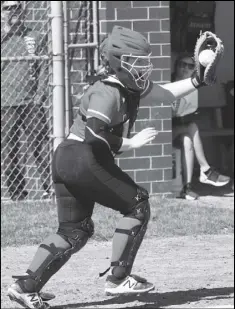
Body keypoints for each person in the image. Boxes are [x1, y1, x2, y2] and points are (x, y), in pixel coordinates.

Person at [7, 25, 220, 309]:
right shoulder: (106, 90)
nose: (143, 66)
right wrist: (132, 143)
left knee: (74, 230)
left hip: (70, 159)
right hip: (83, 156)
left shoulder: (126, 86)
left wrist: (197, 80)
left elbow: (166, 95)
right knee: (137, 203)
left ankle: (25, 286)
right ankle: (119, 278)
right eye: (136, 61)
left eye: (144, 60)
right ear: (119, 62)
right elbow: (96, 134)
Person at [1, 1, 51, 201]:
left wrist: (39, 97)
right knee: (8, 150)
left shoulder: (35, 36)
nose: (13, 11)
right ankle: (17, 193)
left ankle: (51, 189)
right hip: (5, 103)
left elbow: (44, 69)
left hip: (31, 103)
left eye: (16, 7)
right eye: (8, 8)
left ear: (23, 10)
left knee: (41, 146)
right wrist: (5, 30)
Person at [172, 52, 230, 200]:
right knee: (192, 128)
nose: (185, 69)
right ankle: (205, 170)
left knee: (187, 139)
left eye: (190, 66)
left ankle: (187, 187)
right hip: (166, 131)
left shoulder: (191, 87)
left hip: (181, 127)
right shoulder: (170, 83)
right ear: (176, 66)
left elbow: (188, 113)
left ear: (193, 70)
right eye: (182, 65)